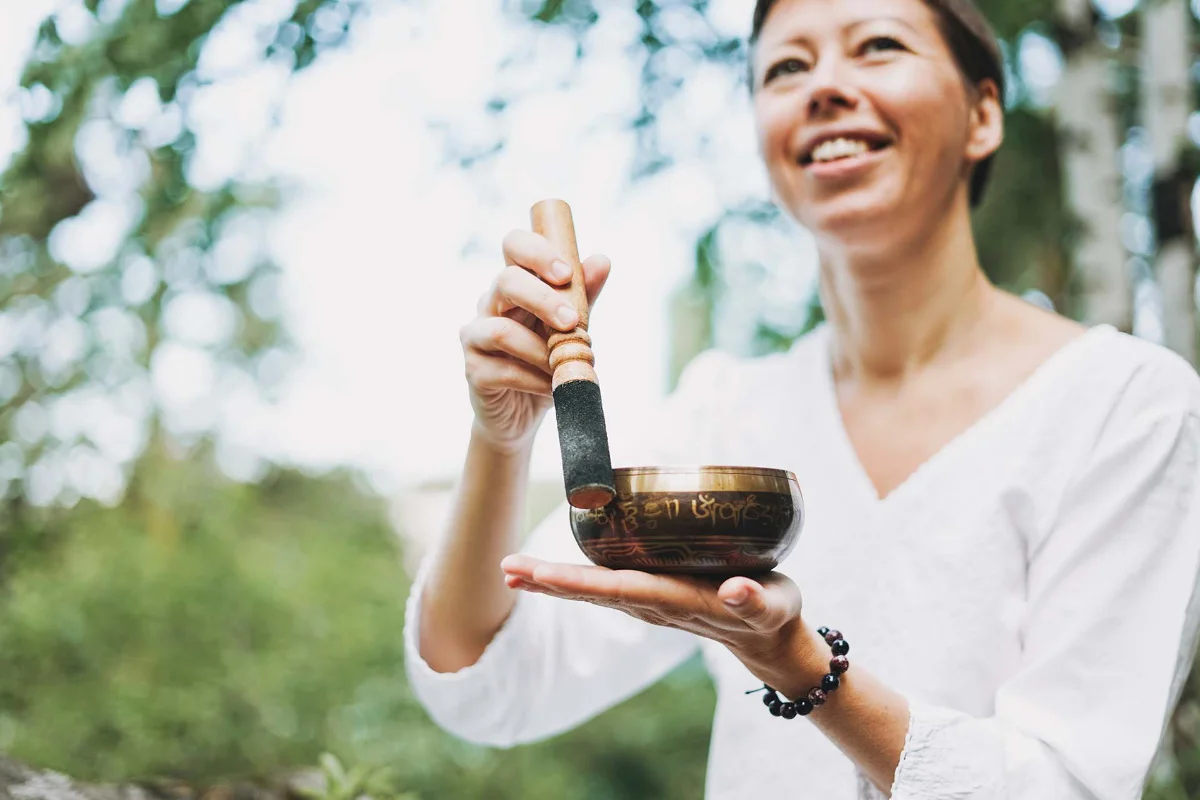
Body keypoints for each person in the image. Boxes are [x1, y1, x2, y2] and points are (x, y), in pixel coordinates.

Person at [404, 0, 1200, 796]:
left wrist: (802, 670)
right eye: (787, 66)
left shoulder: (1125, 407)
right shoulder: (725, 412)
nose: (824, 86)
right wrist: (502, 441)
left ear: (983, 113)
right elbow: (485, 686)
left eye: (877, 46)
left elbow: (1069, 785)